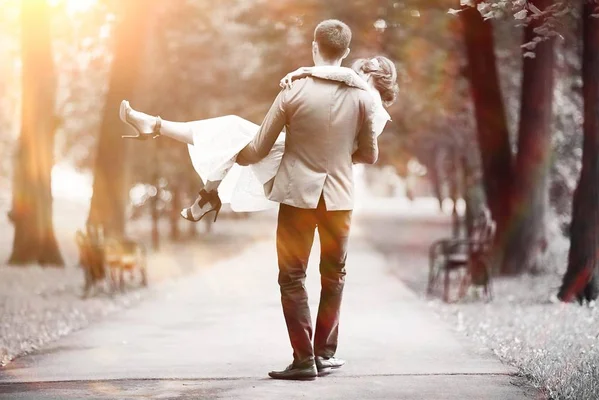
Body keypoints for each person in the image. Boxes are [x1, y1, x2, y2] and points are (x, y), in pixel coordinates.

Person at [121, 19, 398, 380]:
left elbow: (256, 149)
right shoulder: (363, 99)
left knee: (292, 276)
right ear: (345, 54)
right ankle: (325, 355)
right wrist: (338, 157)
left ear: (315, 47)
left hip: (298, 195)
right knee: (334, 275)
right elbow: (370, 155)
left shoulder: (293, 90)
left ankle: (304, 361)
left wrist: (237, 156)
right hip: (339, 200)